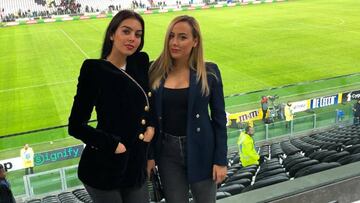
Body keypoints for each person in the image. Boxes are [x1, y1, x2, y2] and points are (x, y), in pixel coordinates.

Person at [68, 10, 154, 203]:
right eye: (126, 31)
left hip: (136, 166)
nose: (132, 38)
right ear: (112, 34)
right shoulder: (94, 70)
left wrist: (152, 126)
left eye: (138, 34)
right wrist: (114, 145)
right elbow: (75, 125)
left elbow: (149, 100)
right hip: (104, 167)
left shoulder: (140, 62)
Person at [148, 15, 228, 203]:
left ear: (195, 41)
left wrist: (220, 160)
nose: (174, 42)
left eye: (182, 37)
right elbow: (150, 117)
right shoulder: (154, 70)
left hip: (202, 150)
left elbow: (219, 119)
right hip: (167, 154)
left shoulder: (209, 73)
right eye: (171, 36)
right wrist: (150, 156)